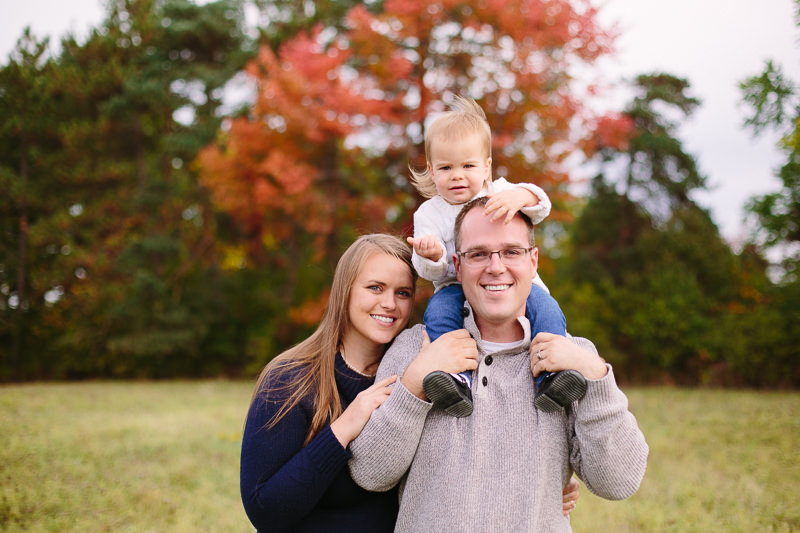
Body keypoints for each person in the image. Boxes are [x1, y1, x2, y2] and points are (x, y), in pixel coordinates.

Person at [240, 233, 582, 532]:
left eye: (402, 293)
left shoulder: (420, 365)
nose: (388, 304)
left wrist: (548, 480)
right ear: (344, 291)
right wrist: (343, 429)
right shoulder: (291, 379)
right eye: (375, 288)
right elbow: (265, 511)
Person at [349, 197, 649, 532]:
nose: (496, 266)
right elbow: (370, 473)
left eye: (511, 251)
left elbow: (618, 482)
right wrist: (416, 381)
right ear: (457, 266)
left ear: (533, 262)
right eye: (478, 254)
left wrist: (596, 378)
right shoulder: (416, 348)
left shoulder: (573, 357)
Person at [406, 95, 586, 417]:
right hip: (453, 285)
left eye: (468, 166)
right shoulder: (429, 213)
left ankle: (553, 374)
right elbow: (428, 272)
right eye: (446, 168)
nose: (458, 176)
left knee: (547, 308)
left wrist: (521, 195)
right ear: (432, 172)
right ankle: (453, 376)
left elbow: (541, 207)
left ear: (486, 166)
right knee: (438, 314)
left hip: (514, 286)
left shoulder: (498, 190)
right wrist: (432, 257)